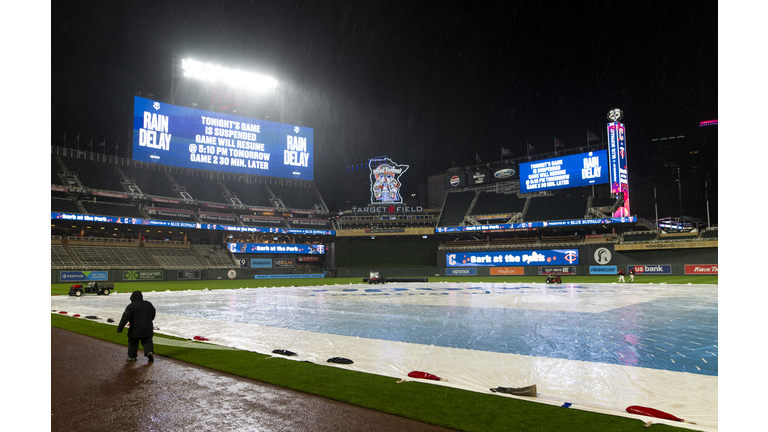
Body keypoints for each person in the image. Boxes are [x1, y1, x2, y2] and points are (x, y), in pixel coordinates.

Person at [117, 290, 157, 362]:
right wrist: (148, 320)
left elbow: (125, 318)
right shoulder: (148, 304)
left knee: (133, 342)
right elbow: (153, 314)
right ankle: (149, 352)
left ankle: (132, 356)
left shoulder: (131, 306)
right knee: (147, 341)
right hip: (147, 327)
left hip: (135, 329)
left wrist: (120, 328)